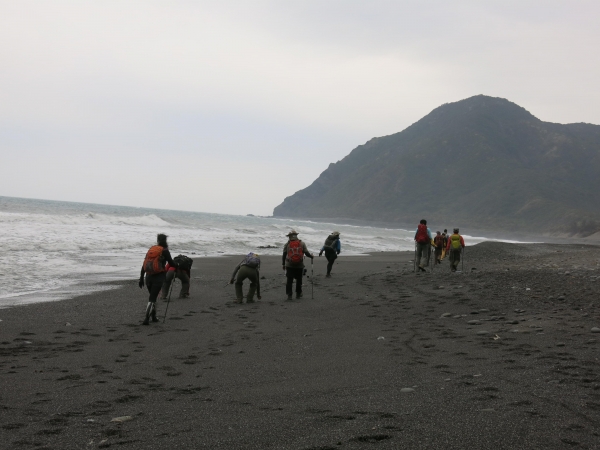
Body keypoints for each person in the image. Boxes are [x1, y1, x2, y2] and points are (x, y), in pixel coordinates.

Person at [139, 234, 178, 325]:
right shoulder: (164, 250)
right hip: (158, 277)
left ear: (157, 240)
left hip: (148, 277)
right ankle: (146, 319)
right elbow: (171, 263)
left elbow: (144, 264)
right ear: (165, 240)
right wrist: (177, 265)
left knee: (153, 297)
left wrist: (141, 278)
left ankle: (153, 317)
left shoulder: (152, 249)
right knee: (152, 298)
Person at [282, 230, 314, 300]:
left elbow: (284, 255)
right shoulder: (302, 243)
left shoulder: (287, 244)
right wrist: (311, 257)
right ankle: (298, 294)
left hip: (289, 265)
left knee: (289, 280)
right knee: (299, 280)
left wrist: (283, 264)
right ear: (296, 235)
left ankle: (289, 295)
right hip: (299, 265)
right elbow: (306, 253)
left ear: (289, 236)